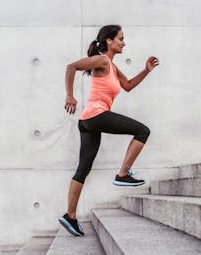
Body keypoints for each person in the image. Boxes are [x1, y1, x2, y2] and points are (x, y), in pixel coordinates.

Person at [59, 25, 159, 237]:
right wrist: (69, 95)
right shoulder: (103, 59)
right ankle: (123, 173)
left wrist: (146, 71)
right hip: (96, 116)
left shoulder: (111, 67)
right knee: (142, 131)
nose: (124, 42)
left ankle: (70, 216)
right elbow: (71, 67)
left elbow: (128, 85)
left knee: (83, 168)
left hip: (87, 121)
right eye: (121, 38)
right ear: (109, 41)